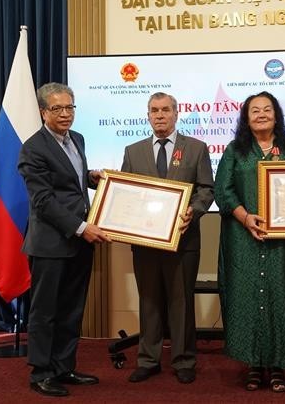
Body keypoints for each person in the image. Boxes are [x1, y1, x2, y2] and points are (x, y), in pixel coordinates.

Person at [18, 82, 112, 397]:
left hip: (78, 241)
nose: (65, 114)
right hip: (51, 243)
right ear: (43, 112)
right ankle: (41, 372)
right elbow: (43, 201)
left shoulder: (78, 139)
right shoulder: (33, 147)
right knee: (45, 311)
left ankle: (63, 366)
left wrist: (91, 178)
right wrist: (82, 227)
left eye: (69, 107)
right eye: (57, 108)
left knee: (72, 308)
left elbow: (68, 180)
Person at [215, 91, 285, 393]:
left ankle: (278, 365)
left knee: (282, 297)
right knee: (247, 298)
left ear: (277, 115)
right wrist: (245, 218)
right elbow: (223, 191)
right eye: (255, 110)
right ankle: (253, 365)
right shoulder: (234, 151)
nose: (262, 114)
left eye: (268, 109)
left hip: (282, 244)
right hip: (243, 240)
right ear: (246, 117)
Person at [121, 92, 214, 384]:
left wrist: (193, 211)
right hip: (145, 242)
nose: (159, 115)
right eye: (154, 110)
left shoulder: (196, 148)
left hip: (183, 241)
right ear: (147, 115)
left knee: (181, 302)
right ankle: (148, 359)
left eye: (165, 110)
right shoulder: (133, 151)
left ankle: (184, 359)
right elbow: (125, 193)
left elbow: (206, 189)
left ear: (176, 114)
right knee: (149, 300)